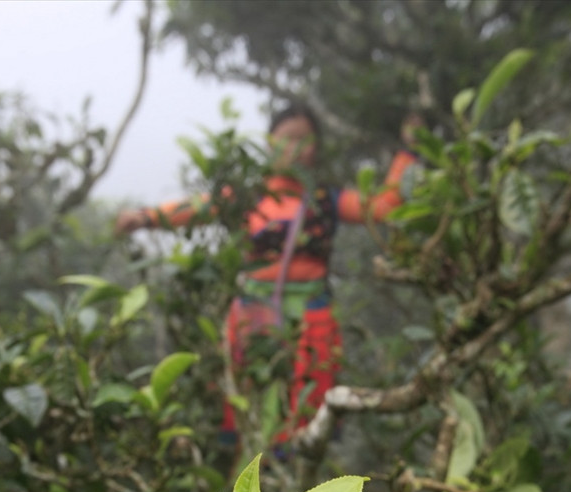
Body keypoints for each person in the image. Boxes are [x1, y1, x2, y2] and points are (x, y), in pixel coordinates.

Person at [115, 103, 417, 446]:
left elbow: (382, 207)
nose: (296, 148)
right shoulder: (251, 197)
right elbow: (199, 208)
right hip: (253, 317)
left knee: (305, 414)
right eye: (287, 138)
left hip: (311, 316)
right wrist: (146, 217)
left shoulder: (326, 199)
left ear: (316, 147)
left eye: (304, 140)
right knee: (249, 409)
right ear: (269, 143)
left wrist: (408, 152)